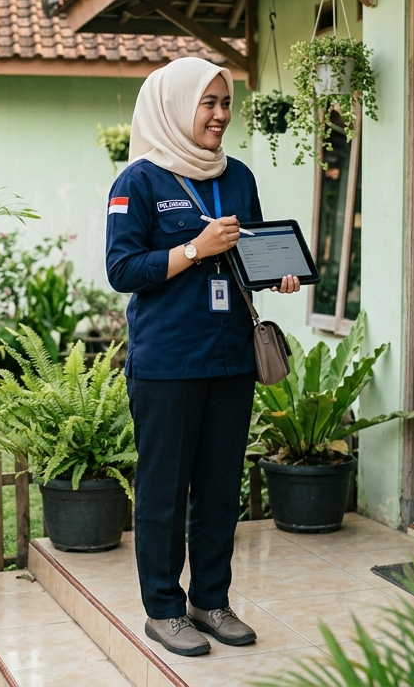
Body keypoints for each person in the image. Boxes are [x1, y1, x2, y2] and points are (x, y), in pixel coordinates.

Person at [104, 57, 300, 658]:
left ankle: (209, 600)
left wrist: (278, 272)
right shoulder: (137, 182)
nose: (219, 115)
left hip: (231, 357)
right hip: (168, 362)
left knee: (219, 489)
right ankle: (164, 609)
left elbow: (251, 251)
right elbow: (122, 270)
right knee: (165, 491)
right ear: (174, 107)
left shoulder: (236, 175)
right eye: (207, 103)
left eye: (225, 103)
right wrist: (193, 248)